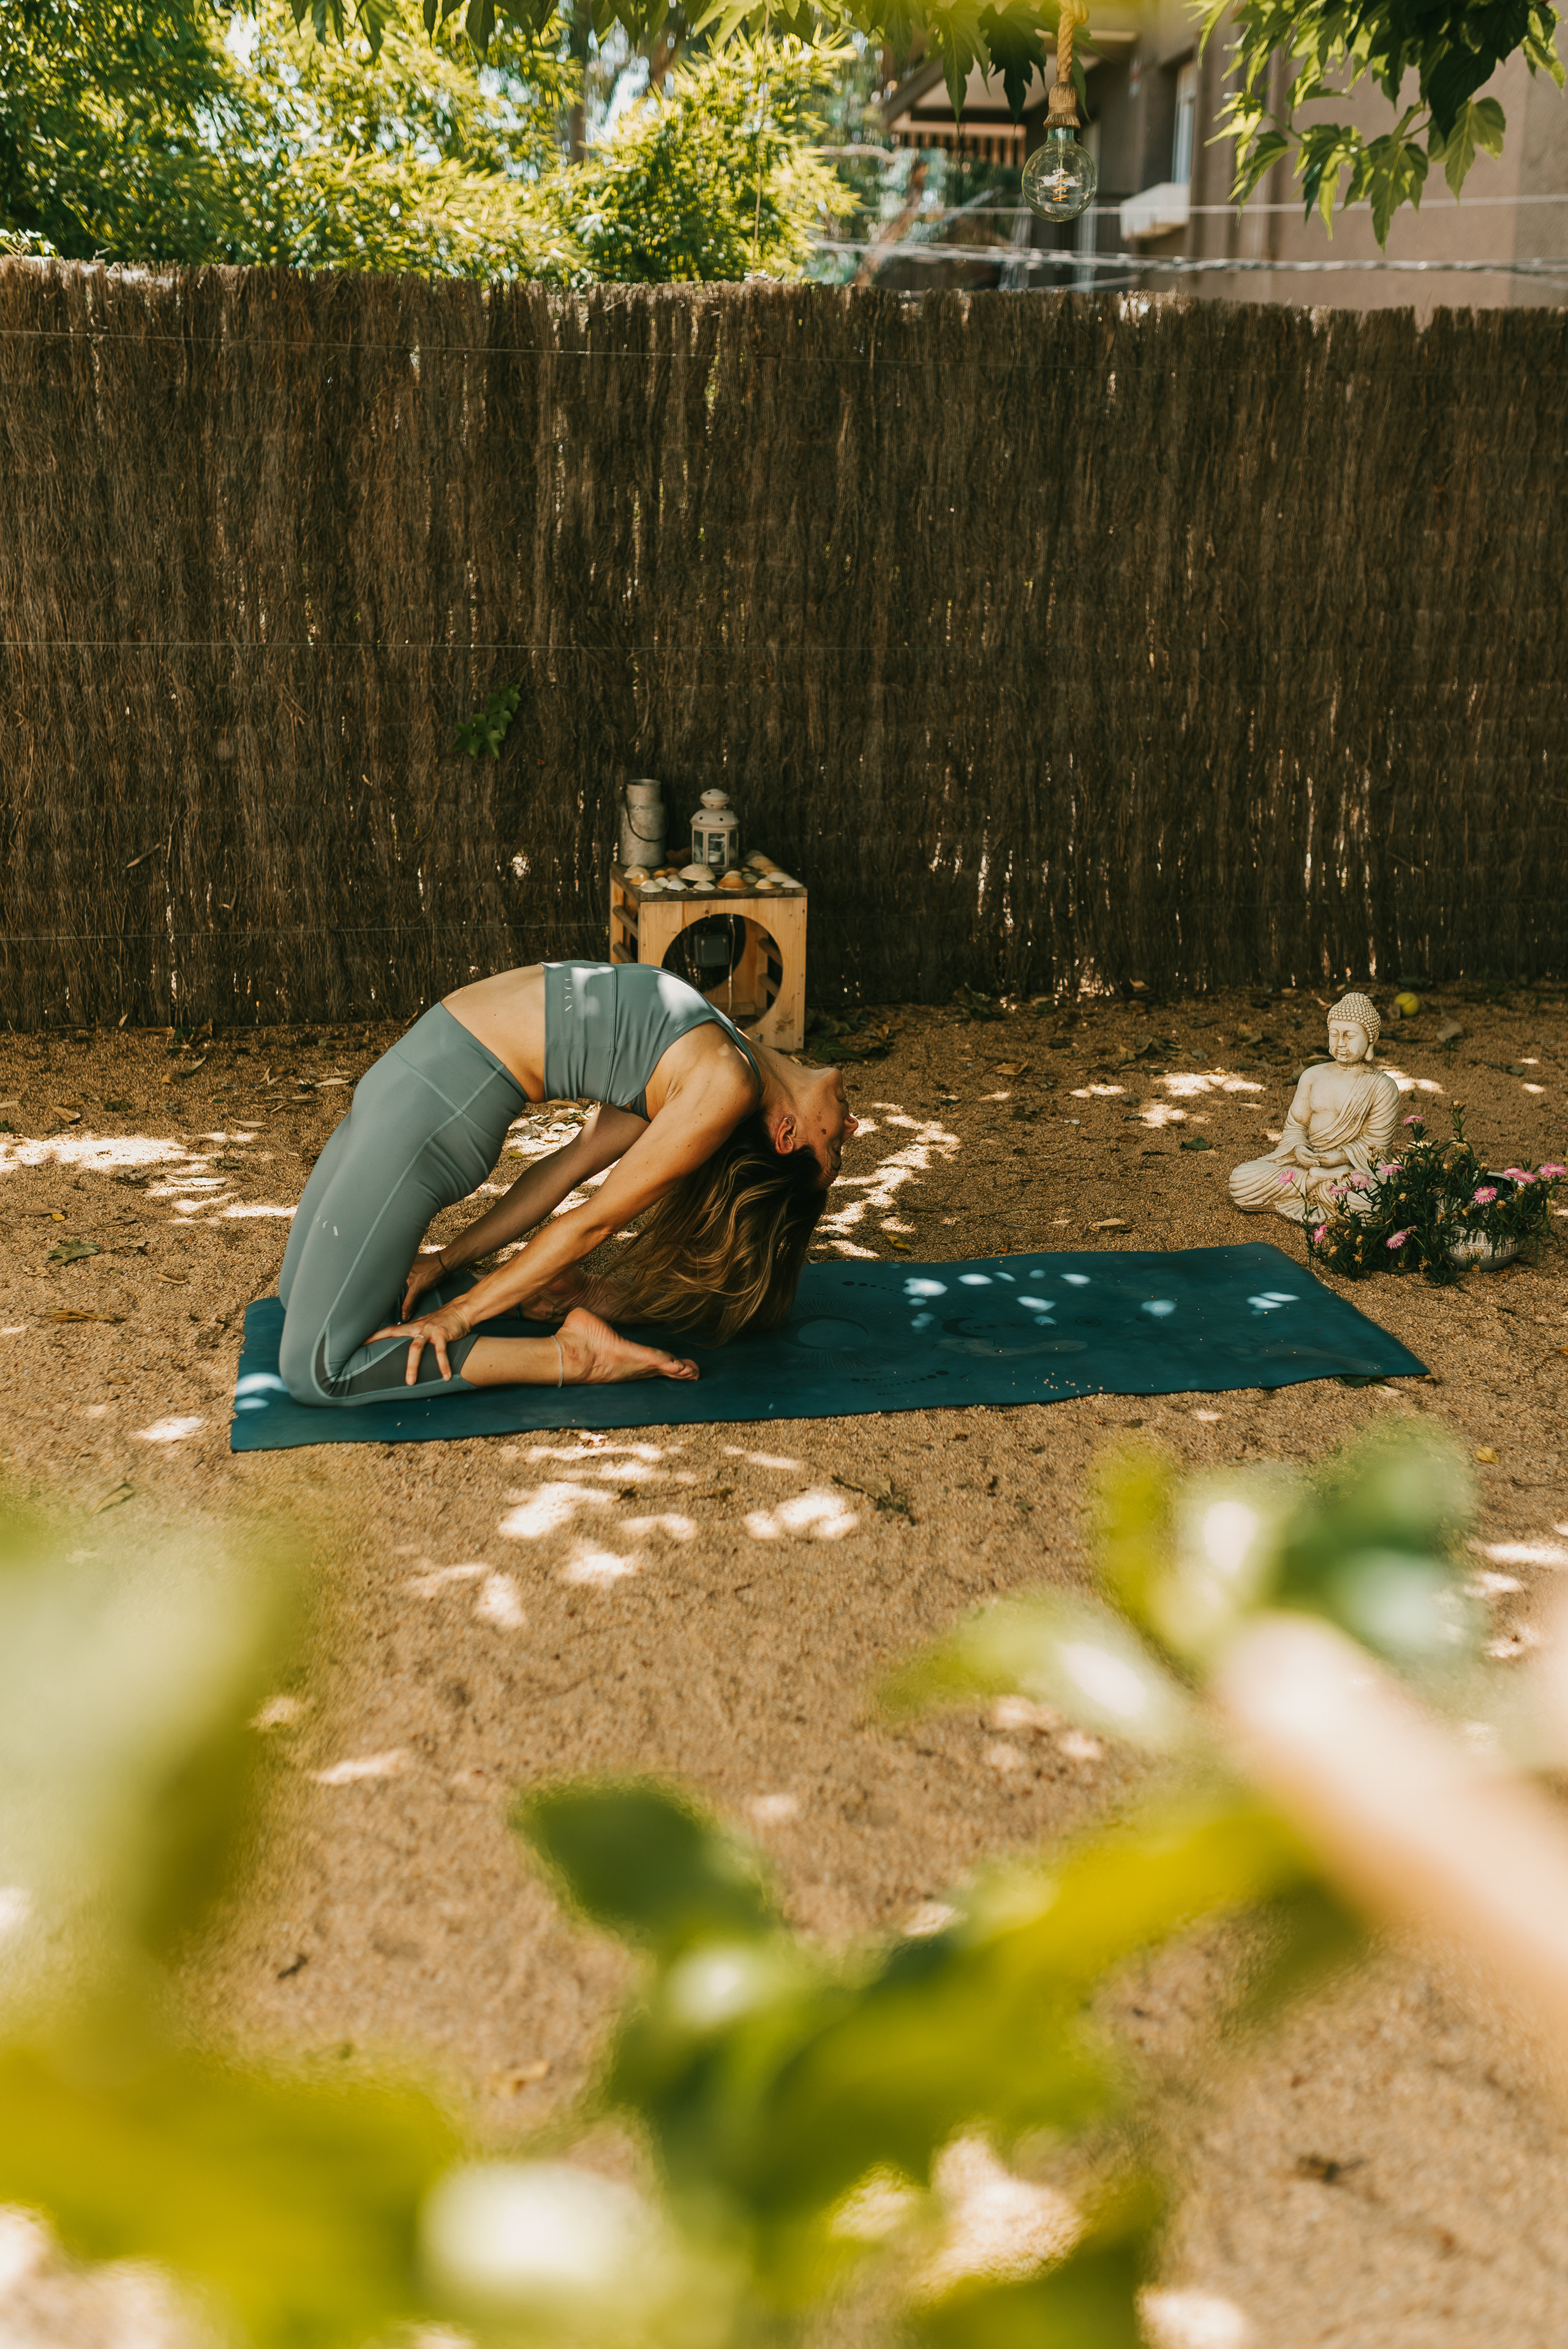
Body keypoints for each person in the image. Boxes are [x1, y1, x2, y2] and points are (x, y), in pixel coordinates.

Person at [276, 961, 857, 1405]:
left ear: (786, 1137)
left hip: (429, 1117)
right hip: (404, 1089)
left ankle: (571, 1353)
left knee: (318, 1370)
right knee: (292, 1294)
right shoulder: (718, 1045)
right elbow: (568, 1165)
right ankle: (523, 1304)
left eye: (833, 1149)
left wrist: (463, 1315)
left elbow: (593, 1220)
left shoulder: (724, 1084)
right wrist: (446, 1264)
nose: (852, 1127)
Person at [1227, 991, 1401, 1224]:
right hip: (1306, 1166)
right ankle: (1314, 1184)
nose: (1340, 1043)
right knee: (1240, 1180)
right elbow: (1296, 1125)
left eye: (1349, 1036)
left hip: (1349, 1170)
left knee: (1375, 1201)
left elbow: (1376, 1148)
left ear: (1371, 1039)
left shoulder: (1382, 1087)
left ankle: (1312, 1187)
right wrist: (1299, 1148)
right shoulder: (1312, 1076)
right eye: (1334, 1034)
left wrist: (1340, 1158)